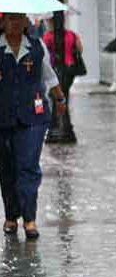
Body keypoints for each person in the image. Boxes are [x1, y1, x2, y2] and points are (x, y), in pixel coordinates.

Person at [0, 12, 67, 240]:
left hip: (33, 116)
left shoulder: (37, 47)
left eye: (19, 19)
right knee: (7, 168)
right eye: (10, 19)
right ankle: (11, 215)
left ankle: (29, 219)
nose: (15, 23)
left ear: (26, 22)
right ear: (3, 22)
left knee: (28, 166)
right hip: (3, 116)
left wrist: (59, 99)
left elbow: (49, 76)